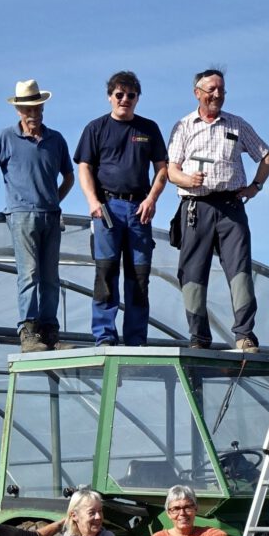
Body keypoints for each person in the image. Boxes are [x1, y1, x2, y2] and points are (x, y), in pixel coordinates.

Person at [0, 80, 74, 353]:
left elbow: (69, 177)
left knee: (50, 276)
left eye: (37, 107)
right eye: (28, 109)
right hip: (21, 215)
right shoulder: (6, 138)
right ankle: (28, 333)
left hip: (50, 216)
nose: (33, 113)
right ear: (19, 111)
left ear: (43, 107)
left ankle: (50, 333)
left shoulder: (56, 139)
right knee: (29, 273)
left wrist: (54, 199)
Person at [166, 69, 269, 352]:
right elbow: (171, 170)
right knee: (192, 272)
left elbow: (267, 156)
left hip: (230, 207)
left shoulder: (237, 125)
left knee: (239, 269)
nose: (218, 95)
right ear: (197, 93)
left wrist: (255, 187)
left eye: (222, 90)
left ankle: (244, 334)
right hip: (195, 206)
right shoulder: (184, 126)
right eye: (212, 89)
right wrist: (187, 180)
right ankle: (199, 337)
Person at [74, 71, 169, 347]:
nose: (124, 99)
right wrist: (92, 200)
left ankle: (137, 340)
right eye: (119, 94)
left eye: (131, 95)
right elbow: (84, 167)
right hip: (107, 209)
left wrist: (152, 199)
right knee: (106, 273)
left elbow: (162, 169)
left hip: (139, 209)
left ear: (138, 98)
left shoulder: (148, 129)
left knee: (139, 278)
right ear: (110, 97)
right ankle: (104, 336)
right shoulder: (96, 128)